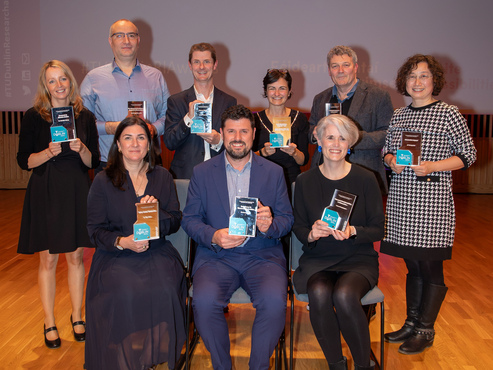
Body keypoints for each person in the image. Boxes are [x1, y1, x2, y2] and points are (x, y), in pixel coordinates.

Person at [181, 105, 294, 370]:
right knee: (204, 302)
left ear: (254, 134)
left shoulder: (274, 172)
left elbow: (287, 221)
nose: (237, 137)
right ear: (221, 132)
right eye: (231, 131)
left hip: (262, 255)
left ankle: (258, 367)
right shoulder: (202, 172)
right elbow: (189, 220)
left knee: (275, 302)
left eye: (244, 131)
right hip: (216, 257)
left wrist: (269, 225)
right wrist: (214, 235)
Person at [381, 54, 476, 355]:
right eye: (411, 76)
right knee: (412, 265)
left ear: (434, 80)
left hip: (432, 204)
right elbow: (386, 149)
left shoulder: (449, 113)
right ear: (404, 82)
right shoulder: (399, 115)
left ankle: (426, 329)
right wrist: (390, 160)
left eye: (423, 76)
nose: (417, 82)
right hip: (401, 202)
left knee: (430, 266)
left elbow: (468, 155)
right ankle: (411, 322)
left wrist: (433, 166)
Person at [85, 116, 186, 369]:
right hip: (116, 254)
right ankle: (123, 359)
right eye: (127, 138)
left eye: (141, 137)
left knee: (167, 289)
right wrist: (122, 241)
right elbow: (94, 231)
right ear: (118, 144)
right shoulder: (102, 180)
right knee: (123, 292)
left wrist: (158, 211)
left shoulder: (162, 175)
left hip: (157, 251)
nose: (134, 143)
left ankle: (147, 358)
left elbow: (174, 222)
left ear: (149, 144)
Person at [16, 60, 100, 348]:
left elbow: (94, 161)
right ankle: (49, 321)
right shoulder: (32, 117)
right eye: (52, 81)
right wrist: (48, 153)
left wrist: (82, 148)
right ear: (45, 86)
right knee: (48, 259)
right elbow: (24, 161)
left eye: (63, 79)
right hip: (45, 189)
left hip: (76, 189)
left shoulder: (85, 117)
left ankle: (78, 316)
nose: (59, 85)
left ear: (70, 83)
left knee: (76, 257)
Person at [293, 114, 384, 370]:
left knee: (344, 295)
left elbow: (378, 229)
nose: (336, 143)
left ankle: (364, 365)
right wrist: (311, 234)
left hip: (357, 260)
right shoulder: (304, 181)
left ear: (350, 143)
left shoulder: (367, 179)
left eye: (342, 138)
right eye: (330, 136)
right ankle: (337, 364)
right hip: (318, 260)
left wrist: (354, 230)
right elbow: (298, 227)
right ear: (319, 140)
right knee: (319, 293)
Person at [80, 19, 170, 173]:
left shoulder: (156, 76)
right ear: (110, 41)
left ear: (138, 40)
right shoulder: (93, 78)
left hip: (149, 160)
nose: (126, 41)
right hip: (109, 161)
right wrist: (111, 127)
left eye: (131, 35)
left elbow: (167, 115)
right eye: (119, 35)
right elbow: (83, 123)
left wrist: (153, 129)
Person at [309, 45, 393, 193]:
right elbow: (311, 130)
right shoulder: (320, 98)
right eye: (335, 66)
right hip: (323, 175)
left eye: (345, 65)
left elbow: (388, 135)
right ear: (329, 71)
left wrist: (349, 138)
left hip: (362, 175)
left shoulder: (378, 96)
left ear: (355, 67)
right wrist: (315, 134)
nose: (340, 71)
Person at [164, 42, 237, 179]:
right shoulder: (176, 101)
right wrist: (188, 119)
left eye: (206, 62)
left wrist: (219, 141)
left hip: (219, 175)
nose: (201, 67)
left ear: (215, 65)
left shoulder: (229, 102)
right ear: (190, 65)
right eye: (196, 62)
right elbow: (169, 142)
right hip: (186, 176)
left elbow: (235, 142)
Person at [253, 69, 309, 189]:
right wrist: (263, 153)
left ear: (289, 91)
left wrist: (294, 153)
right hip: (262, 181)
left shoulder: (299, 118)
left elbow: (303, 160)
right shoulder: (254, 119)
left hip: (291, 182)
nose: (277, 93)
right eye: (272, 88)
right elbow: (247, 158)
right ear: (265, 91)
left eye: (282, 88)